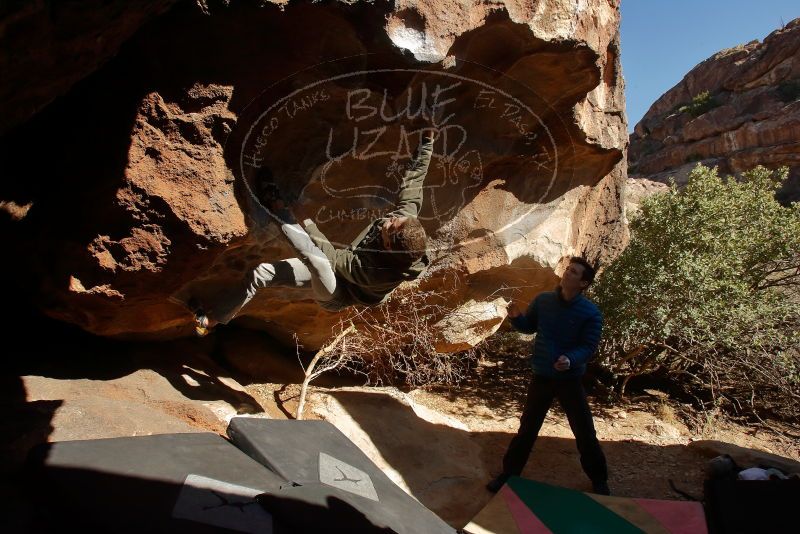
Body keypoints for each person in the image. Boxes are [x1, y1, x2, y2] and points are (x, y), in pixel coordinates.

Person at [191, 129, 436, 335]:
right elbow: (414, 183)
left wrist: (307, 222)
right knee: (261, 273)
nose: (390, 220)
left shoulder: (379, 274)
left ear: (389, 246)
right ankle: (210, 321)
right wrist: (427, 142)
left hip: (336, 293)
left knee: (318, 262)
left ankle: (277, 207)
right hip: (336, 271)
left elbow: (333, 258)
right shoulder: (404, 224)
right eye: (396, 219)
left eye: (390, 227)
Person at [486, 257, 610, 495]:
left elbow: (588, 347)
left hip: (569, 381)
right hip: (541, 376)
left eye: (574, 272)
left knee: (584, 431)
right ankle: (508, 475)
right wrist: (516, 317)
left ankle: (599, 481)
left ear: (583, 283)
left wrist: (570, 359)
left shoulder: (591, 313)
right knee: (527, 429)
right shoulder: (543, 301)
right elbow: (529, 327)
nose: (567, 273)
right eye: (568, 269)